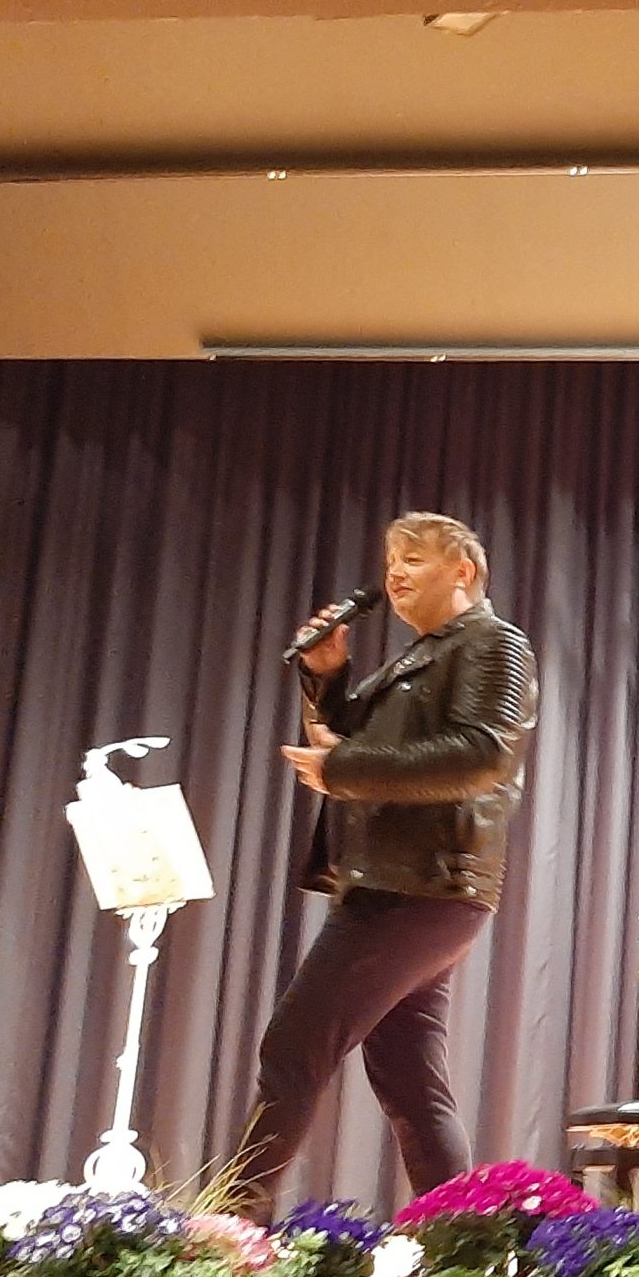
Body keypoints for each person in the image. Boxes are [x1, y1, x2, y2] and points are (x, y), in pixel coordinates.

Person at [232, 511, 538, 1221]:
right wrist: (327, 675)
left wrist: (343, 770)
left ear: (462, 571)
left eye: (414, 558)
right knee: (408, 1080)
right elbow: (350, 739)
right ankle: (460, 1238)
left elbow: (483, 755)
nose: (394, 572)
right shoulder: (420, 659)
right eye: (390, 559)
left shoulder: (494, 643)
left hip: (416, 887)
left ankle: (231, 1227)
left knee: (293, 1050)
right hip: (417, 888)